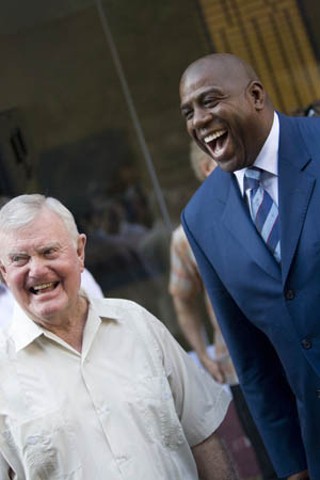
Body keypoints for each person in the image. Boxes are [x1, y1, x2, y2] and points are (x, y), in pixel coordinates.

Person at [0, 193, 237, 480]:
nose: (36, 270)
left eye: (49, 251)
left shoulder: (138, 325)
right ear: (3, 272)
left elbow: (203, 438)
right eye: (19, 259)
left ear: (79, 252)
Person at [178, 52, 320, 480]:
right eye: (188, 112)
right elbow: (253, 363)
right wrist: (292, 468)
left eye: (210, 101)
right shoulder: (200, 218)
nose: (199, 120)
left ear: (256, 96)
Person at [169, 141, 276, 480]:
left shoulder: (265, 200)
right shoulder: (186, 235)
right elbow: (182, 299)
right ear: (207, 168)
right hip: (242, 364)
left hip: (295, 348)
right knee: (276, 459)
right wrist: (205, 353)